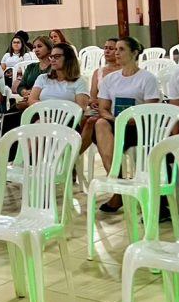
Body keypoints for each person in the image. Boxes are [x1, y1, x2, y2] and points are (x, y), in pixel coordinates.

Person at [95, 37, 160, 213]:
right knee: (100, 124)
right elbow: (103, 108)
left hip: (139, 127)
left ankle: (118, 192)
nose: (116, 53)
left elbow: (150, 109)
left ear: (134, 53)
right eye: (115, 49)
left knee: (106, 130)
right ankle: (117, 184)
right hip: (116, 124)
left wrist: (129, 119)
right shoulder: (110, 79)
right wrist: (116, 119)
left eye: (121, 49)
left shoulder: (147, 78)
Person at [80, 38, 118, 155]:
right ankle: (76, 153)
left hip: (116, 108)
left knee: (94, 121)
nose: (107, 51)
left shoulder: (124, 71)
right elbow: (92, 96)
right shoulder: (98, 72)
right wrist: (93, 102)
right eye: (105, 48)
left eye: (111, 49)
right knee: (83, 118)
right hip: (100, 107)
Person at [27, 43, 89, 111]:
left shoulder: (80, 81)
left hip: (67, 117)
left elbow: (80, 109)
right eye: (51, 57)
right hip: (43, 115)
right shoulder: (43, 78)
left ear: (68, 58)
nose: (52, 60)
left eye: (56, 57)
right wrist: (53, 108)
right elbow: (31, 101)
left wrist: (50, 107)